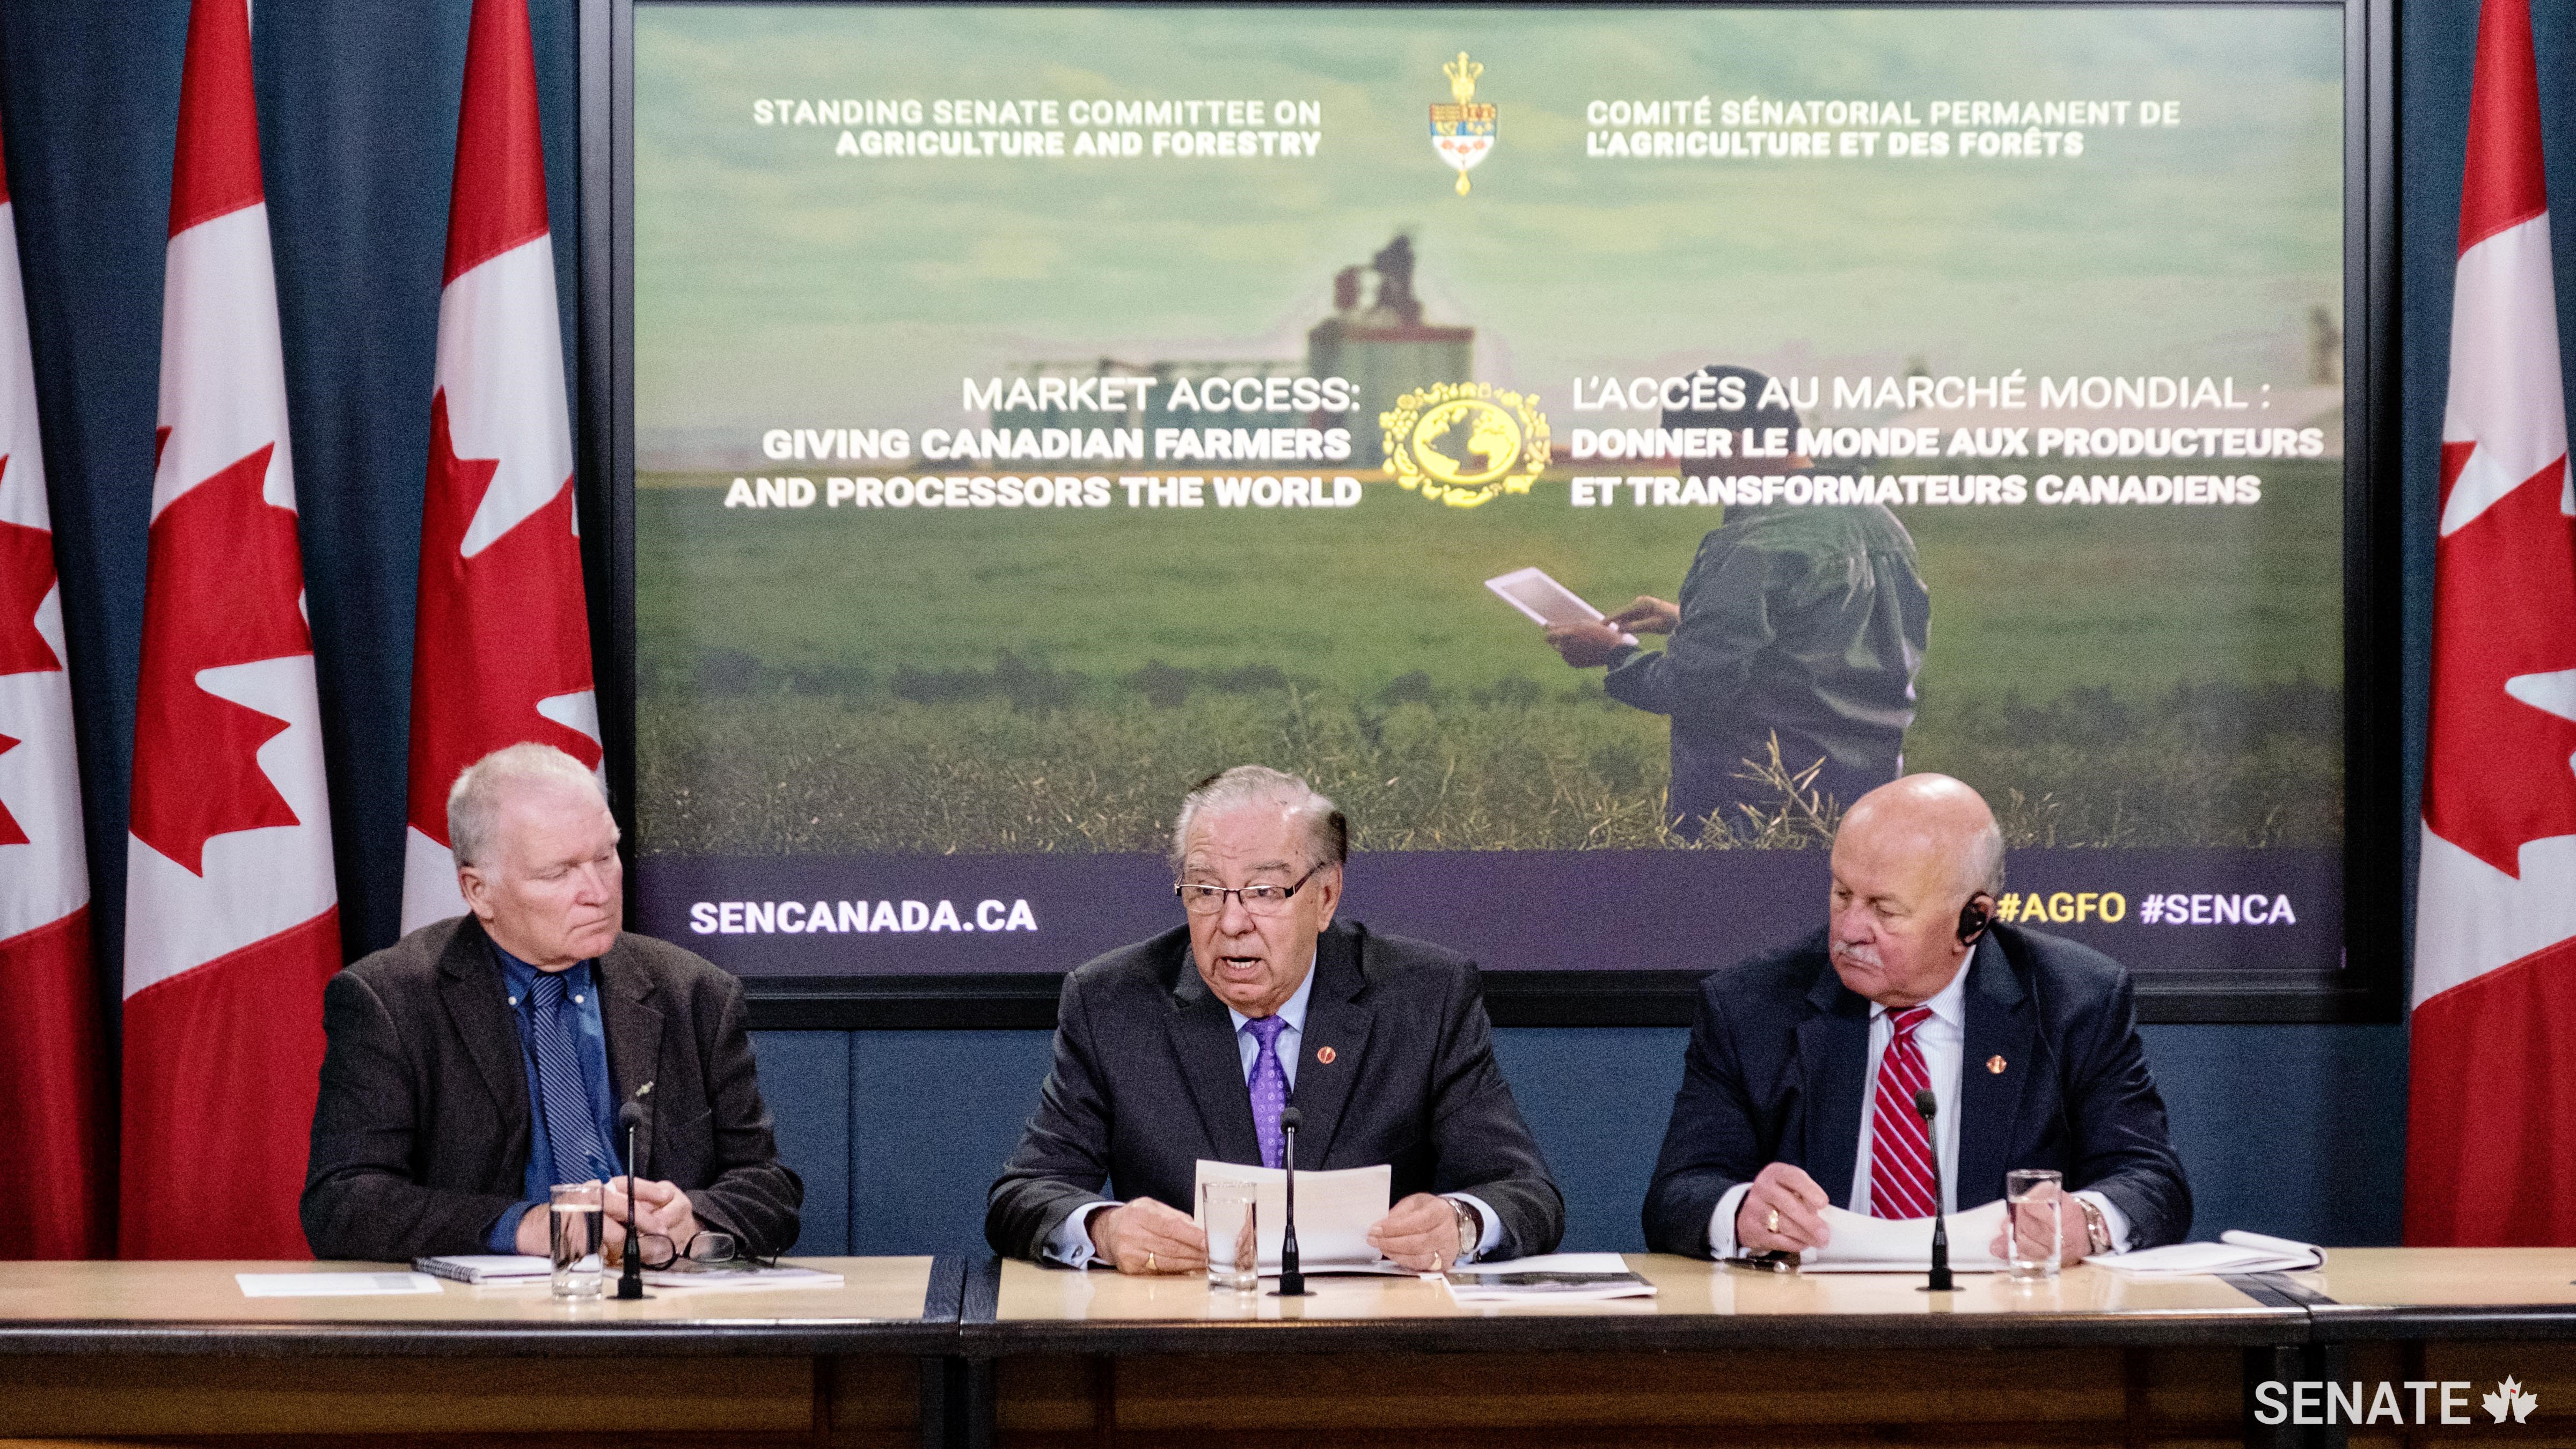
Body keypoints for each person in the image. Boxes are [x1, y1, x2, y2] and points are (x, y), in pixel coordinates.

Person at [989, 766, 1563, 1272]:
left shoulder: (1424, 998)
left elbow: (1525, 1194)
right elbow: (1024, 1195)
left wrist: (1459, 1222)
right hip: (1182, 1347)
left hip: (1378, 1349)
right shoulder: (1114, 1004)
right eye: (1206, 890)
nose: (1232, 921)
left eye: (1265, 891)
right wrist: (1103, 1230)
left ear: (1327, 896)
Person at [1642, 773, 2189, 1263]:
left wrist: (2086, 1223)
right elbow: (1679, 1194)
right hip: (1808, 1332)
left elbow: (2151, 1182)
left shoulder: (2075, 1000)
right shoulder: (1752, 1004)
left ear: (1973, 920)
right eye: (1841, 894)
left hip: (2009, 1333)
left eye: (1886, 910)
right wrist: (1740, 1212)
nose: (1851, 929)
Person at [302, 744, 800, 1262]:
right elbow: (342, 1204)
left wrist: (693, 1218)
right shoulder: (392, 1001)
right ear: (479, 891)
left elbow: (770, 1189)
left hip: (661, 1308)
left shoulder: (694, 993)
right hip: (484, 1325)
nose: (598, 892)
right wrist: (532, 1228)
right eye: (558, 873)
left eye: (606, 857)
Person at [1546, 364, 1929, 840]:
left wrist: (1613, 652)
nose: (1685, 471)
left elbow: (1690, 688)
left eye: (1689, 451)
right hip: (1866, 808)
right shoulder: (1879, 522)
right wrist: (1690, 621)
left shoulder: (1753, 545)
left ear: (1734, 440)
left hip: (1760, 815)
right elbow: (1837, 641)